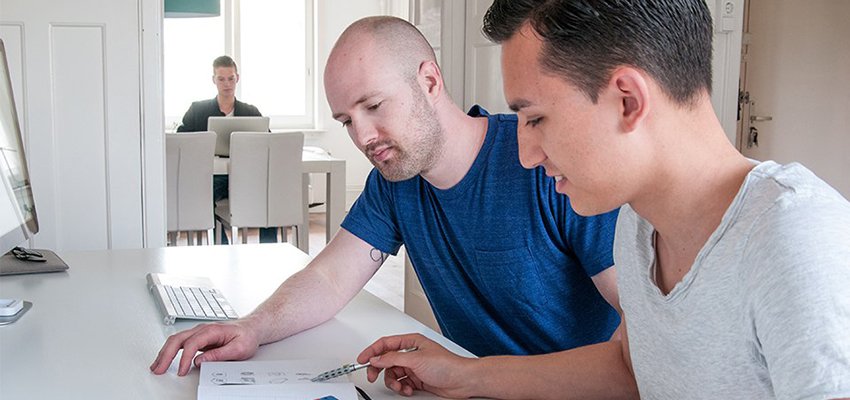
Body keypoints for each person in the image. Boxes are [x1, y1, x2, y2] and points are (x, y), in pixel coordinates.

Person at [356, 1, 850, 398]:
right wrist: (463, 375)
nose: (525, 155)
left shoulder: (795, 238)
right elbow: (629, 368)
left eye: (536, 119)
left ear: (628, 101)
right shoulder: (639, 225)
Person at [150, 16, 622, 377]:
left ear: (430, 81)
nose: (363, 137)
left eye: (374, 106)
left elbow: (641, 342)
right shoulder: (396, 181)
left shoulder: (546, 166)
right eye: (346, 121)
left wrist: (470, 378)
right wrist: (250, 327)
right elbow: (330, 278)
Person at [176, 55, 276, 243]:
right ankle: (222, 247)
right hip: (212, 177)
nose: (227, 84)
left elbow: (267, 143)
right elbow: (181, 141)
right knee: (202, 195)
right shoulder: (197, 110)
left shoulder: (251, 112)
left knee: (269, 193)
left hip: (245, 176)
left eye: (231, 78)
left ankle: (269, 247)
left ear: (237, 78)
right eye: (221, 79)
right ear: (213, 80)